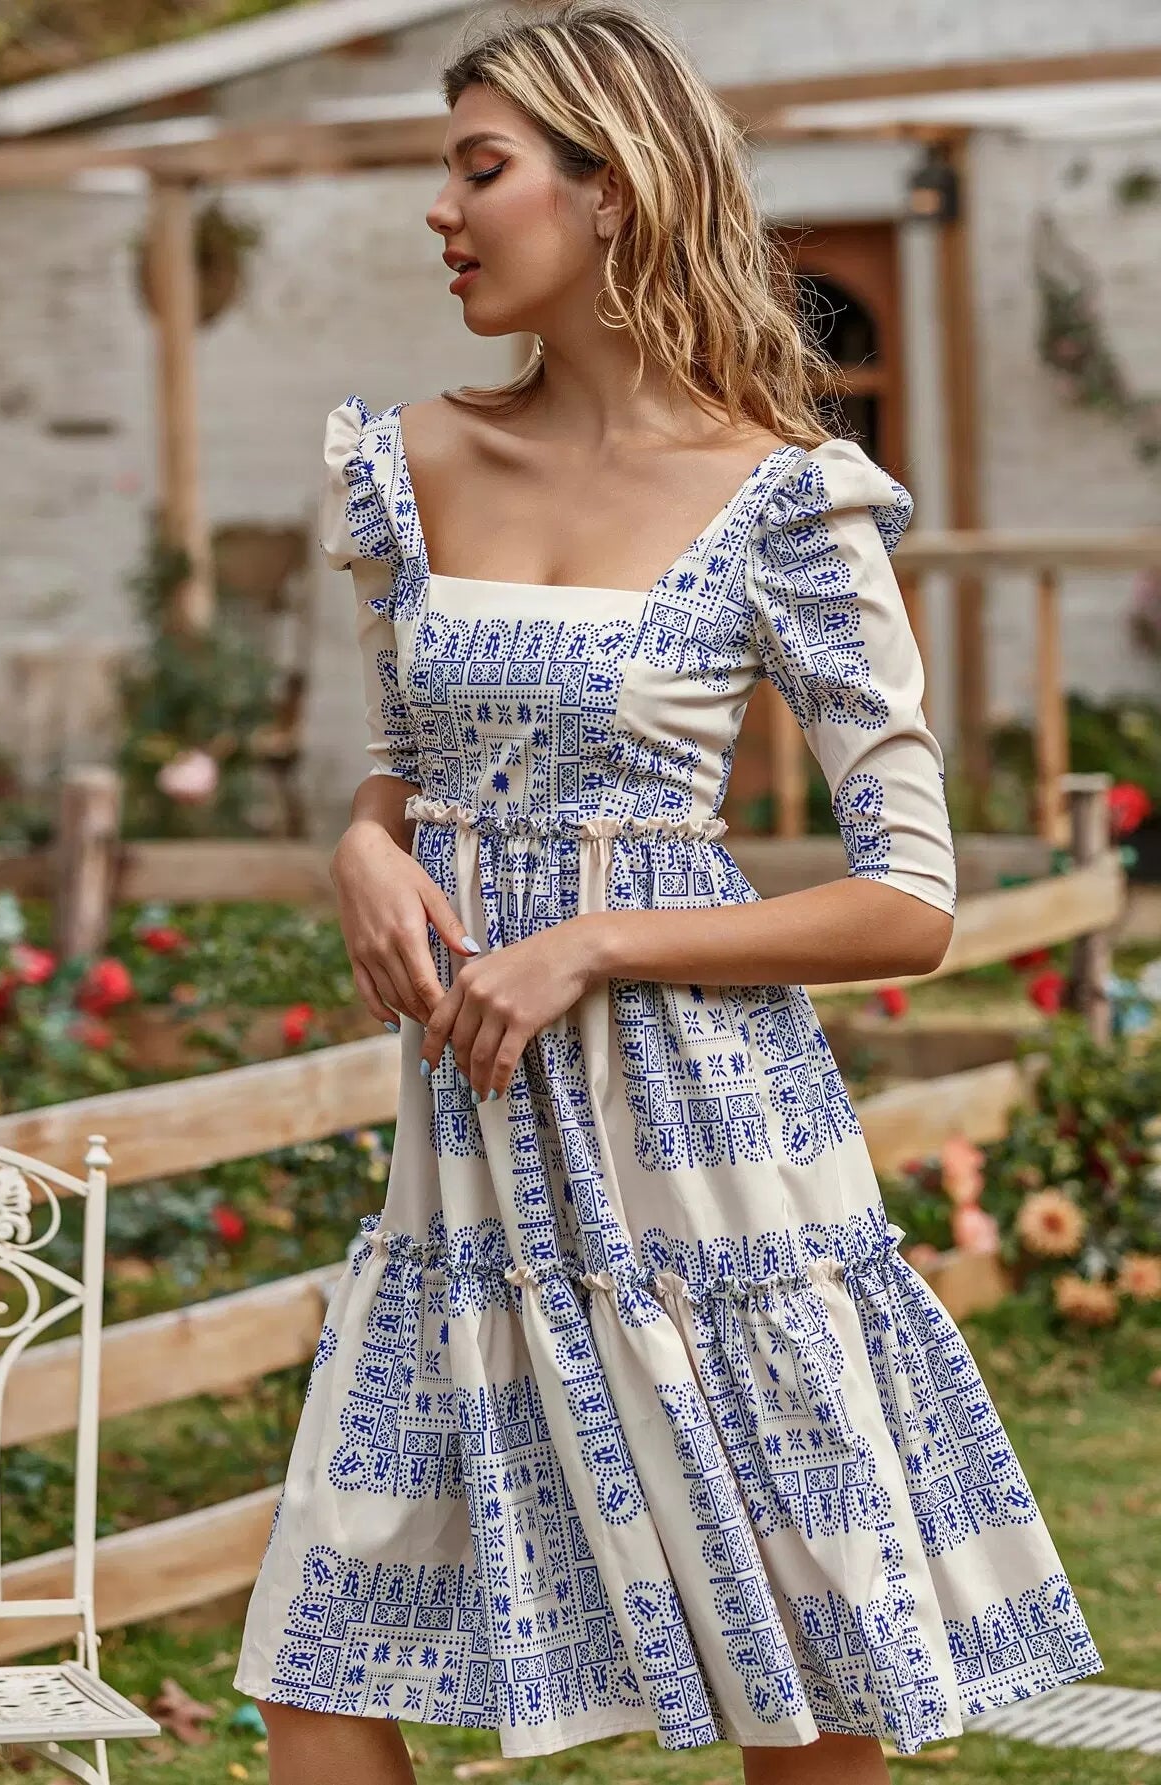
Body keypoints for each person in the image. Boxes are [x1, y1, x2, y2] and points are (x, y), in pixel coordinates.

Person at [232, 5, 1102, 1779]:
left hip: (708, 1163)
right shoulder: (406, 467)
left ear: (612, 188)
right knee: (316, 1656)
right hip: (471, 1165)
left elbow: (912, 901)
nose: (442, 210)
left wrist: (597, 941)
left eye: (481, 168)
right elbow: (407, 762)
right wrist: (362, 843)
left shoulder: (787, 503)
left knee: (806, 1675)